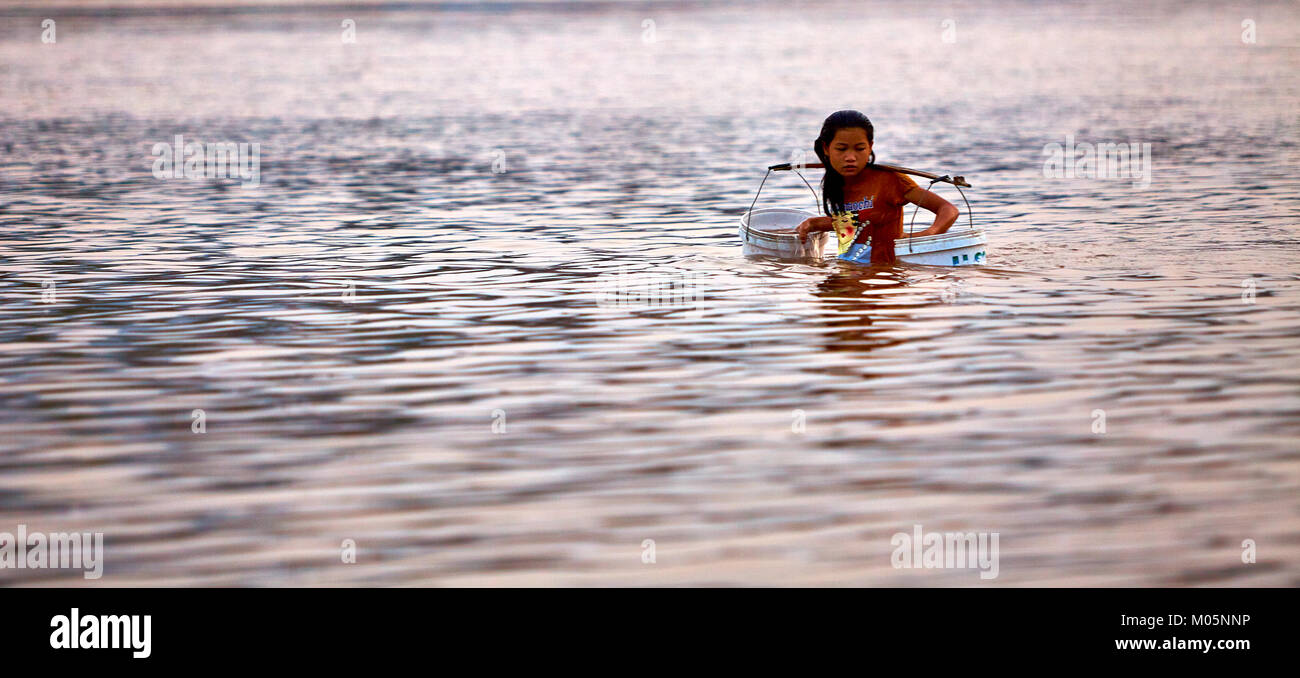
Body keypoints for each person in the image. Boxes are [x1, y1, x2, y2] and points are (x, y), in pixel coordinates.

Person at [796, 110, 959, 265]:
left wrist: (927, 235)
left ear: (870, 147)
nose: (851, 157)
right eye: (841, 149)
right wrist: (814, 224)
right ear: (826, 148)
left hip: (884, 278)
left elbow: (948, 209)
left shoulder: (891, 180)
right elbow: (858, 222)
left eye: (860, 149)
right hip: (848, 270)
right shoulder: (835, 182)